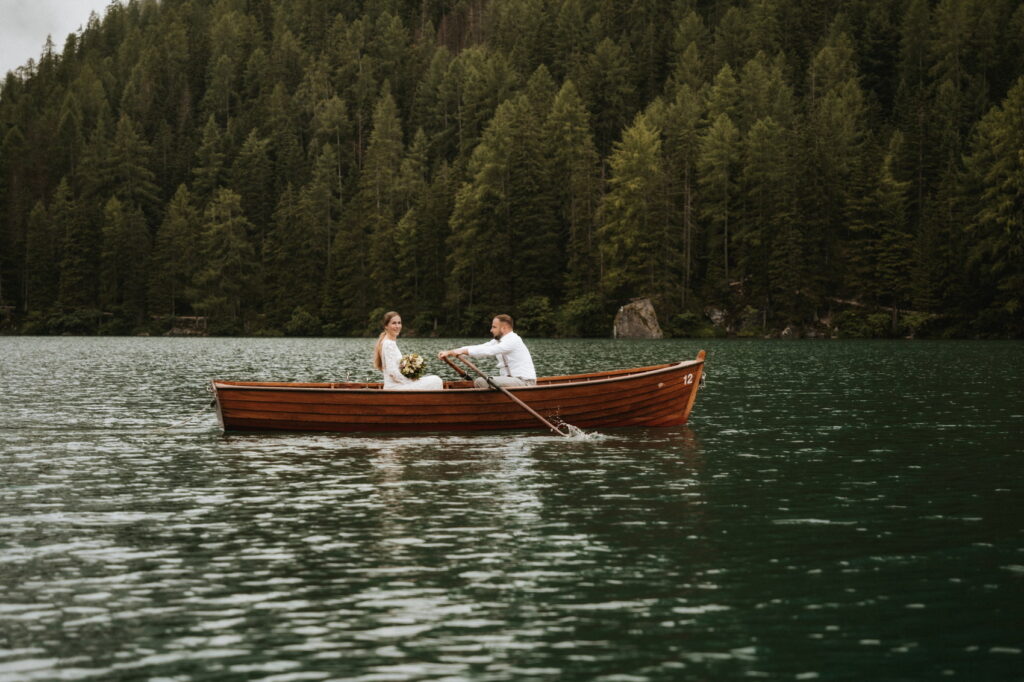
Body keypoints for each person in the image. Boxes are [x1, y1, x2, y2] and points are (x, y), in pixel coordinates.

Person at [438, 314, 537, 388]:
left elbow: (489, 351)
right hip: (511, 380)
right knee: (481, 382)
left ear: (504, 328)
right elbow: (481, 347)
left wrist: (462, 351)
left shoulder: (513, 340)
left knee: (480, 381)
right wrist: (452, 351)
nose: (491, 330)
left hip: (525, 382)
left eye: (494, 327)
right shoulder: (498, 341)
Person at [373, 311, 443, 391]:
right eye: (394, 323)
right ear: (386, 326)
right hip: (395, 387)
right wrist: (409, 381)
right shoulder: (389, 344)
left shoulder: (387, 341)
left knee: (433, 380)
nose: (397, 326)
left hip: (397, 384)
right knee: (436, 380)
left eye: (399, 323)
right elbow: (392, 372)